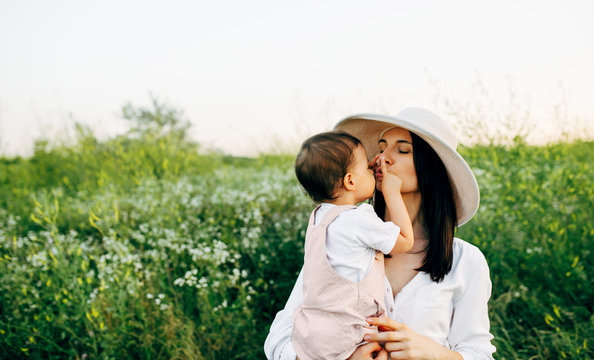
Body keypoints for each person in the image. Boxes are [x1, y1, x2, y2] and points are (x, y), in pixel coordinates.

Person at [264, 108, 496, 360]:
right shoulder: (342, 235)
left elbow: (479, 353)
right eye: (382, 147)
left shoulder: (465, 260)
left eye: (402, 150)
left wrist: (433, 352)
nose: (382, 158)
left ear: (431, 169)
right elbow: (279, 339)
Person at [292, 131, 415, 360]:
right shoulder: (358, 219)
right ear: (350, 181)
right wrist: (391, 191)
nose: (374, 165)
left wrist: (364, 172)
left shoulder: (319, 218)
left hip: (315, 337)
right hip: (351, 337)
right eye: (368, 169)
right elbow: (406, 241)